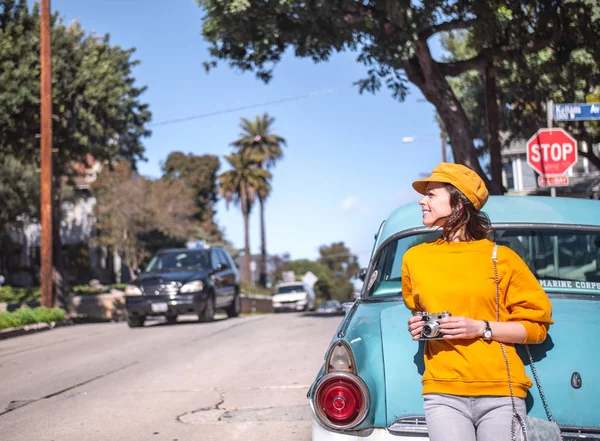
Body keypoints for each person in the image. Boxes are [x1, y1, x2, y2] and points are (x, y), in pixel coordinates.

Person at [402, 162, 553, 441]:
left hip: (500, 392)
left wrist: (480, 328)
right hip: (443, 390)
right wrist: (417, 326)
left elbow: (536, 328)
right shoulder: (415, 258)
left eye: (432, 194)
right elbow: (417, 308)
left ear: (459, 204)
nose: (422, 201)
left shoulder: (501, 258)